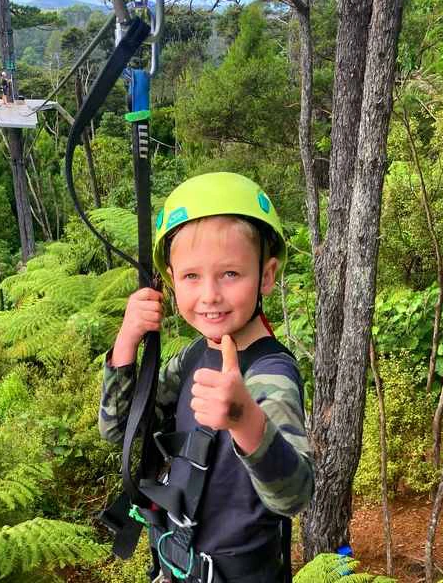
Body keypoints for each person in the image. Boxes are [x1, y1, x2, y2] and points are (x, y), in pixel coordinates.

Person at [99, 172, 313, 583]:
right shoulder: (197, 353)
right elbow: (120, 430)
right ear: (170, 281)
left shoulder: (271, 376)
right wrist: (127, 341)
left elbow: (295, 496)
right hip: (175, 566)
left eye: (230, 274)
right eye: (191, 277)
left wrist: (244, 418)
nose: (210, 295)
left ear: (266, 276)